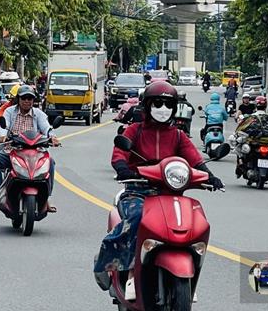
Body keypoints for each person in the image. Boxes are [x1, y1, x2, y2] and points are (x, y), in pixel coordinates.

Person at [94, 81, 224, 298]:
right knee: (135, 219)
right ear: (147, 105)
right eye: (157, 103)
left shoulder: (178, 135)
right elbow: (119, 154)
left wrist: (209, 175)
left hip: (170, 193)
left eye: (167, 104)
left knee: (195, 221)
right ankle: (107, 263)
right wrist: (124, 169)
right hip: (138, 190)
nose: (162, 108)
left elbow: (194, 158)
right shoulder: (134, 130)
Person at [0, 85, 60, 208]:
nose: (27, 101)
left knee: (50, 163)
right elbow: (4, 126)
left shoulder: (39, 114)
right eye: (24, 98)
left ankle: (47, 197)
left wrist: (52, 137)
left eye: (30, 98)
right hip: (13, 150)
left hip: (35, 152)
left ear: (33, 100)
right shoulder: (10, 111)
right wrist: (3, 136)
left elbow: (47, 128)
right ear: (18, 99)